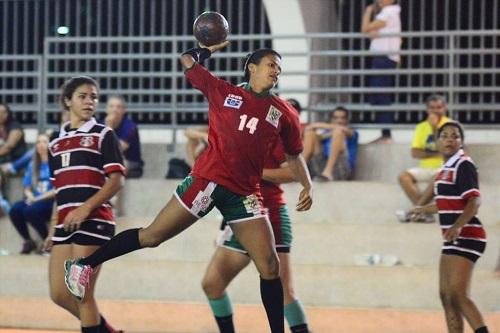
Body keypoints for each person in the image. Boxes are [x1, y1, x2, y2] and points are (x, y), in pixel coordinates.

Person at [63, 44, 313, 333]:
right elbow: (186, 61)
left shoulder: (283, 112)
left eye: (279, 67)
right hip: (206, 182)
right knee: (152, 236)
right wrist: (205, 49)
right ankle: (84, 265)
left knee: (270, 266)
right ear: (251, 67)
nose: (276, 70)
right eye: (271, 64)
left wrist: (307, 185)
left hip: (244, 194)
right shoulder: (224, 92)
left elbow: (294, 156)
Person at [201, 104, 312, 333]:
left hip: (270, 213)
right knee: (212, 284)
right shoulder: (234, 136)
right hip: (241, 216)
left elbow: (293, 172)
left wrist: (253, 170)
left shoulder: (273, 135)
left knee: (284, 291)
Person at [44, 76, 125, 333]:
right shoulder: (54, 141)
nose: (90, 101)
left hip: (94, 219)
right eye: (83, 96)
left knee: (81, 292)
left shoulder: (103, 134)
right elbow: (59, 190)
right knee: (59, 293)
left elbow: (116, 181)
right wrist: (51, 229)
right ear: (67, 101)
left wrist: (85, 208)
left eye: (94, 97)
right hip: (65, 222)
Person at [409, 122, 489, 333]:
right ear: (437, 142)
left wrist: (457, 226)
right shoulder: (445, 168)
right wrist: (422, 210)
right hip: (453, 237)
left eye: (455, 136)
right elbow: (446, 202)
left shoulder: (464, 164)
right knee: (446, 295)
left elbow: (474, 202)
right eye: (445, 136)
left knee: (458, 294)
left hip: (468, 235)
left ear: (461, 142)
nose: (450, 139)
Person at [396, 94, 449, 222]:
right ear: (427, 109)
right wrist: (436, 153)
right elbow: (415, 153)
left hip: (444, 167)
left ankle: (416, 212)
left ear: (445, 108)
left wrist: (434, 128)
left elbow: (447, 151)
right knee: (403, 176)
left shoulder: (451, 125)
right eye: (432, 108)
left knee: (438, 177)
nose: (436, 111)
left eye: (439, 107)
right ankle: (424, 211)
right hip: (425, 167)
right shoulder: (421, 127)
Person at [361, 0, 402, 143]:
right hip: (383, 58)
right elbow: (371, 33)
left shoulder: (389, 12)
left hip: (384, 59)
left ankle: (386, 134)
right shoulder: (390, 14)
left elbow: (365, 28)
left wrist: (368, 11)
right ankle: (385, 133)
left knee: (381, 95)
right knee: (378, 95)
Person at [9, 133, 55, 254]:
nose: (41, 145)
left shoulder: (55, 163)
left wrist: (37, 199)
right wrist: (30, 196)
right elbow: (27, 187)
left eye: (44, 142)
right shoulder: (33, 164)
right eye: (38, 142)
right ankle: (29, 241)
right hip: (35, 199)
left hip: (50, 200)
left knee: (30, 211)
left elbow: (57, 189)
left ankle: (48, 243)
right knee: (15, 209)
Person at [302, 106, 358, 181]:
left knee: (338, 132)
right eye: (336, 118)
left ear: (347, 120)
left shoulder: (352, 133)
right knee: (310, 134)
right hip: (321, 168)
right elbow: (308, 134)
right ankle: (298, 171)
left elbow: (341, 129)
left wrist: (318, 125)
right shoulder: (326, 133)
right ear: (331, 119)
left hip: (341, 169)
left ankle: (328, 172)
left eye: (342, 118)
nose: (339, 121)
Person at [105, 95, 144, 178]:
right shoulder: (101, 125)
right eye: (111, 106)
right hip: (108, 163)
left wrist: (110, 128)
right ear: (106, 109)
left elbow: (118, 149)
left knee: (118, 166)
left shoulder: (130, 127)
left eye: (118, 107)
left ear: (124, 110)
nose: (114, 110)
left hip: (131, 164)